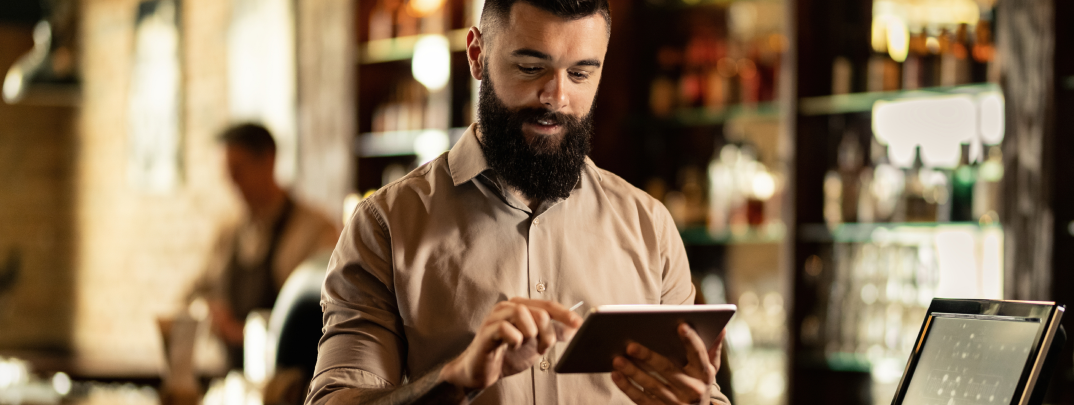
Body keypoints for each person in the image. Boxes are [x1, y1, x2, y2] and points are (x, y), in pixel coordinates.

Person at [307, 0, 731, 404]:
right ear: (477, 54)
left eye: (581, 74)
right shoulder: (385, 226)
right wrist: (457, 379)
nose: (556, 96)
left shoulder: (649, 227)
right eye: (531, 68)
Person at [191, 123, 340, 369]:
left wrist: (251, 335)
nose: (232, 181)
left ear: (268, 161)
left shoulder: (316, 228)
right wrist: (208, 311)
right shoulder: (227, 232)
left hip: (293, 380)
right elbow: (195, 292)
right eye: (227, 172)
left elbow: (327, 311)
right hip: (234, 376)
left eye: (238, 170)